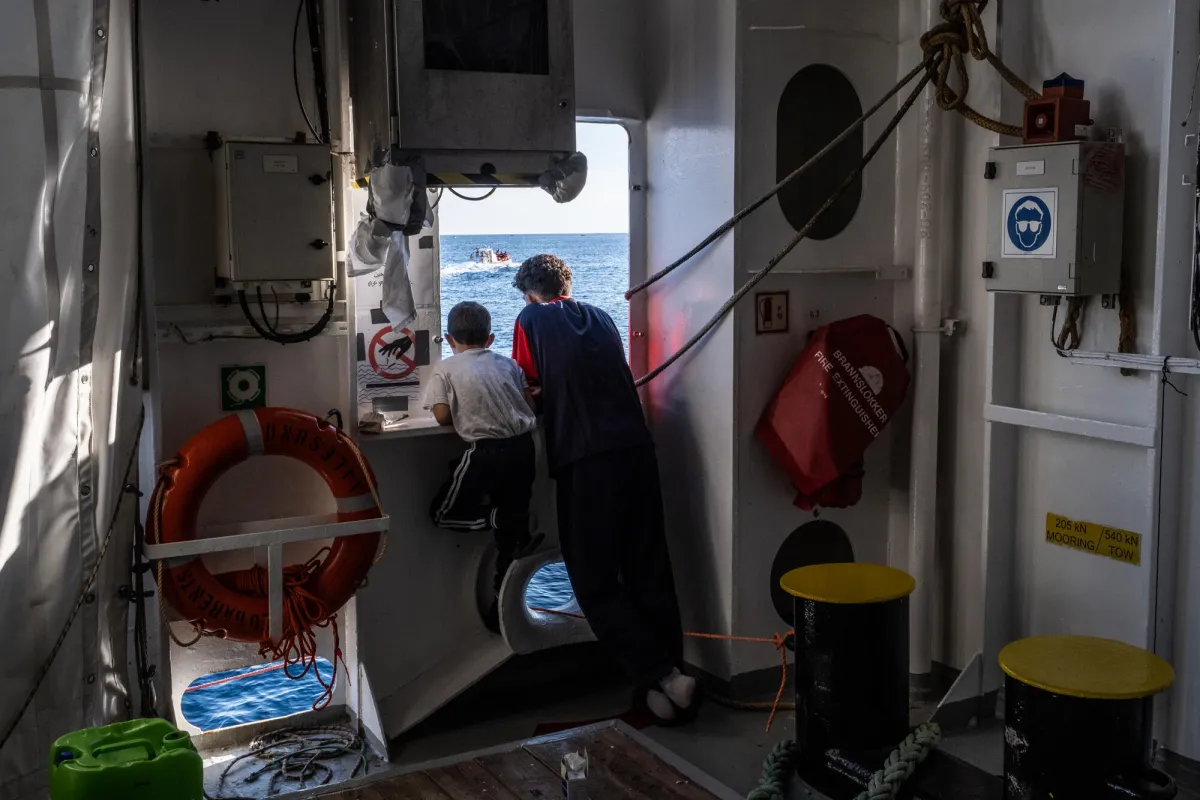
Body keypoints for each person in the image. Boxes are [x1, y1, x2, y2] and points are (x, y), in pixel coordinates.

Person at [510, 254, 697, 723]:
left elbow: (524, 383)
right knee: (648, 567)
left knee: (593, 580)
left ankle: (662, 674)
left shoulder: (529, 318)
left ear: (531, 293)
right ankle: (668, 681)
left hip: (585, 458)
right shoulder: (603, 315)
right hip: (636, 449)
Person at [423, 301, 542, 632]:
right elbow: (530, 405)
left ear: (449, 339)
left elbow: (443, 416)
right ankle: (501, 614)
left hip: (487, 452)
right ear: (490, 339)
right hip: (526, 449)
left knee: (442, 514)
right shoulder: (508, 364)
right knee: (510, 540)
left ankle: (498, 518)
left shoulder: (445, 369)